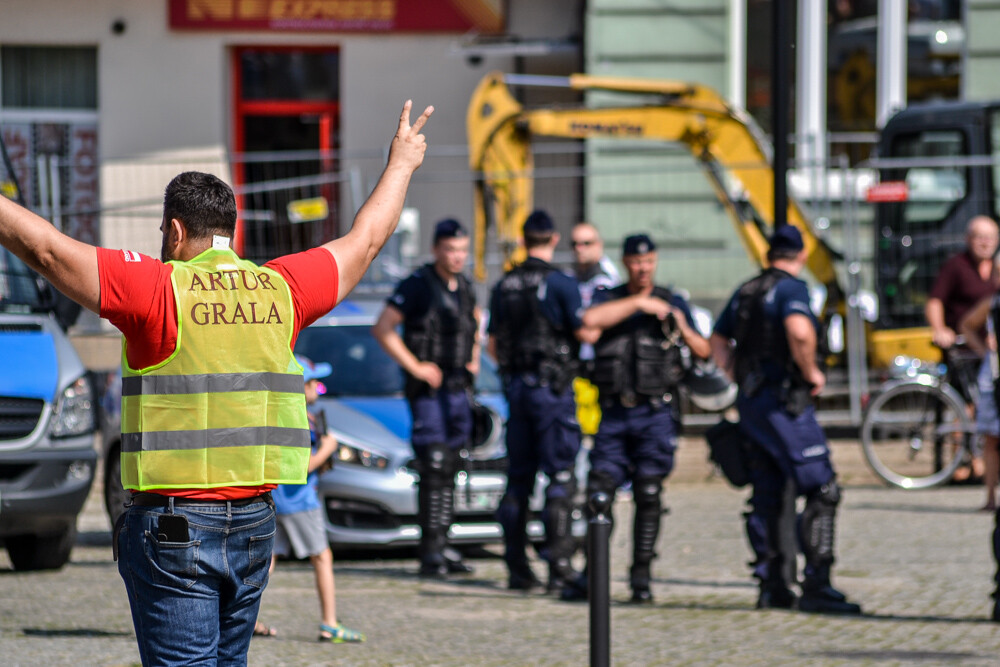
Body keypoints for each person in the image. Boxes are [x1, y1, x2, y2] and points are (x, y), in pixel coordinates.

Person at [0, 100, 432, 664]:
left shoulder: (157, 290)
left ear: (175, 230)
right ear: (231, 230)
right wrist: (400, 164)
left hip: (175, 528)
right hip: (255, 523)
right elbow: (366, 240)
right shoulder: (282, 289)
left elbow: (47, 249)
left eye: (162, 231)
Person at [710, 225, 861, 615]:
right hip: (783, 403)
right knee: (822, 487)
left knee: (767, 489)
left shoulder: (747, 290)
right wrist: (811, 371)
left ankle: (771, 583)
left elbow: (718, 338)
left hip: (752, 401)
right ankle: (817, 584)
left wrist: (733, 373)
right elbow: (799, 331)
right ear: (802, 254)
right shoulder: (792, 289)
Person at [563, 234, 711, 603]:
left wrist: (677, 320)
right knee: (600, 493)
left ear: (655, 261)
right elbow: (588, 323)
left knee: (649, 494)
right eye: (636, 262)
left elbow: (705, 350)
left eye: (648, 262)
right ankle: (591, 576)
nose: (643, 268)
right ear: (626, 262)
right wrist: (640, 305)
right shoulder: (611, 298)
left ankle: (641, 580)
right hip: (614, 413)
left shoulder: (672, 300)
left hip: (655, 413)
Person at [487, 209, 599, 591]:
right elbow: (584, 333)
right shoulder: (562, 284)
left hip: (517, 389)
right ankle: (559, 567)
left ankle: (518, 568)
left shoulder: (505, 285)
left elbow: (492, 343)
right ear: (553, 239)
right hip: (552, 391)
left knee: (518, 479)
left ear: (522, 240)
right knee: (560, 478)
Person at [372, 217, 479, 578]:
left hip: (457, 389)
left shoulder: (465, 286)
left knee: (451, 465)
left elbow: (475, 325)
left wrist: (474, 361)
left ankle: (445, 545)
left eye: (463, 250)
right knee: (433, 464)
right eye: (450, 249)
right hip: (429, 392)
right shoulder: (418, 284)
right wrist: (416, 366)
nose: (457, 257)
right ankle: (430, 552)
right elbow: (383, 328)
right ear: (436, 249)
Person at [258, 355, 365, 643]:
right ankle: (329, 622)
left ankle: (248, 619)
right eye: (313, 383)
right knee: (322, 556)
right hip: (299, 500)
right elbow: (302, 466)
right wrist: (327, 450)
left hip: (275, 499)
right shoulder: (299, 422)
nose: (318, 388)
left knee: (267, 560)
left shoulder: (279, 417)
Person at [926, 215, 1000, 481]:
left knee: (985, 406)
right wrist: (940, 329)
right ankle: (960, 461)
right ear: (969, 239)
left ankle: (982, 463)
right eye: (980, 237)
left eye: (990, 237)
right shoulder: (956, 266)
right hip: (962, 348)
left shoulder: (997, 269)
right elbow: (935, 300)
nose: (985, 243)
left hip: (990, 350)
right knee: (964, 406)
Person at [959, 294, 1000, 511]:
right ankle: (991, 498)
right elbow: (966, 325)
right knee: (992, 439)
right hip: (993, 378)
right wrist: (984, 350)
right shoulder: (992, 303)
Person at [570, 221, 620, 309]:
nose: (578, 249)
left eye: (586, 243)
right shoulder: (578, 271)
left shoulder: (605, 277)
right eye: (574, 244)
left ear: (599, 244)